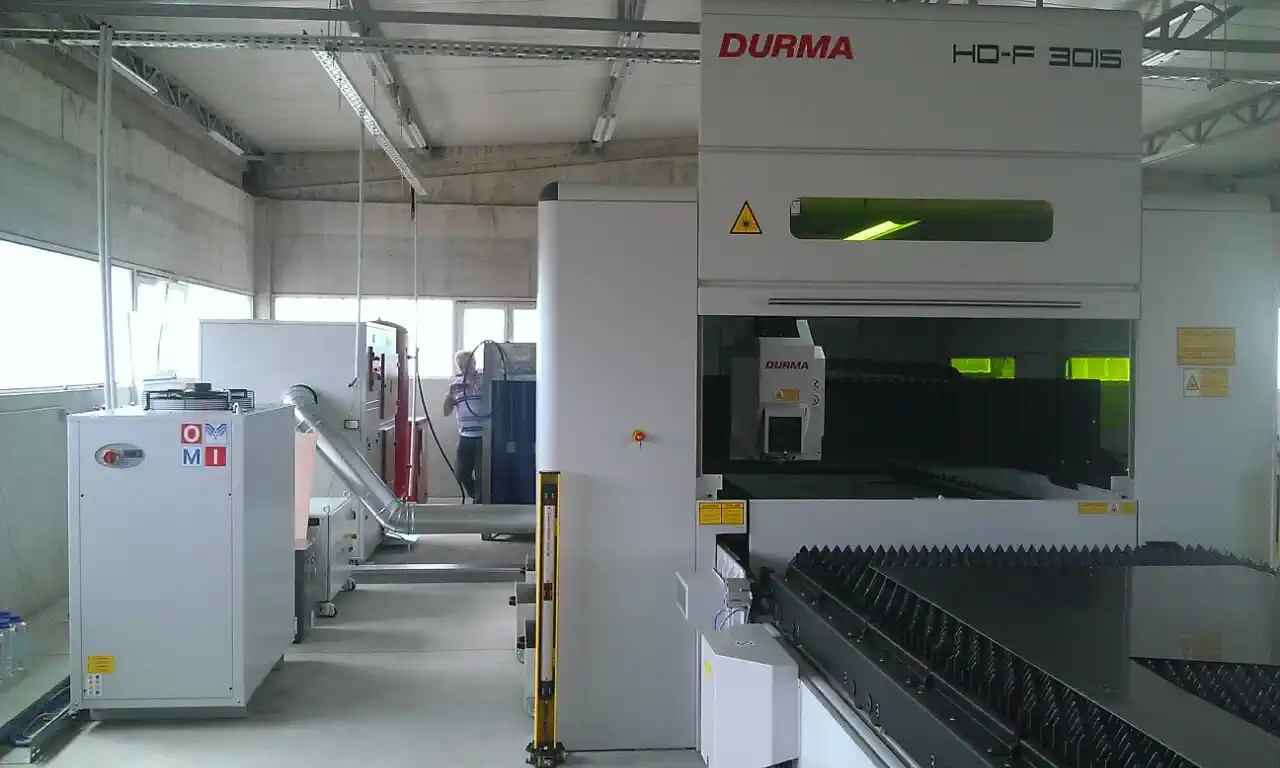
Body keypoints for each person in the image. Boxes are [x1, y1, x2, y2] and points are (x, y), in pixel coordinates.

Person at [443, 349, 484, 501]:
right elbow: (446, 412)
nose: (464, 369)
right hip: (465, 436)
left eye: (467, 365)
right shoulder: (456, 385)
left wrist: (477, 384)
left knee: (482, 475)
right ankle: (477, 496)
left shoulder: (486, 380)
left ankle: (480, 503)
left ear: (474, 363)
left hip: (483, 437)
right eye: (461, 366)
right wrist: (450, 394)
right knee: (460, 472)